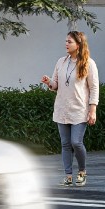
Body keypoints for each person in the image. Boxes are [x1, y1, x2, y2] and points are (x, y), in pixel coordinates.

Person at [41, 29, 99, 187]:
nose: (66, 44)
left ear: (79, 45)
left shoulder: (88, 63)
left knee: (76, 142)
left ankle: (82, 171)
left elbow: (94, 88)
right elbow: (56, 85)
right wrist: (48, 82)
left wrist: (92, 109)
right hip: (62, 109)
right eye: (66, 41)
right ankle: (68, 176)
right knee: (65, 144)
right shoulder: (61, 62)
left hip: (79, 110)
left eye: (69, 41)